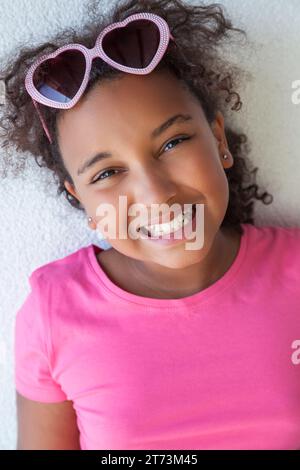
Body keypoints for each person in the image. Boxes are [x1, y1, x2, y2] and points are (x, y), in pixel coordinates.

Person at [1, 0, 299, 450]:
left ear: (218, 139)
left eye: (173, 142)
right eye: (106, 173)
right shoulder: (52, 313)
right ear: (78, 196)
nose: (156, 195)